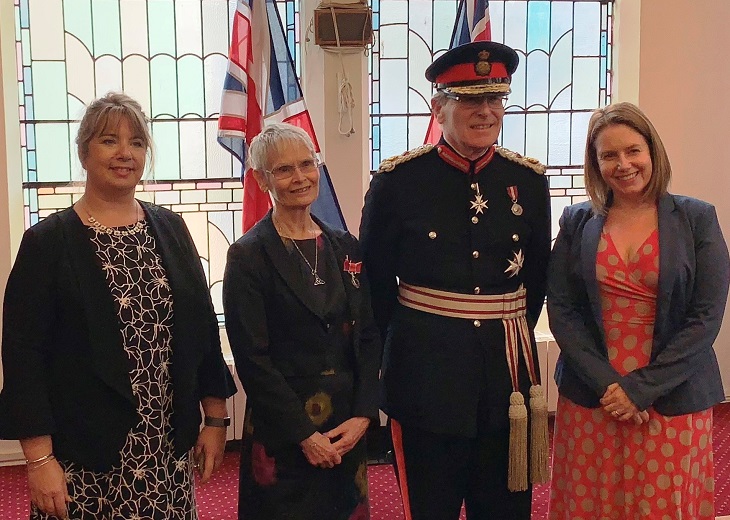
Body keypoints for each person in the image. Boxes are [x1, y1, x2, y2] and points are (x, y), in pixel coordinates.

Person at [0, 92, 236, 519]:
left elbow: (200, 329)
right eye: (109, 141)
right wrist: (37, 460)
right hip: (84, 456)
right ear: (84, 153)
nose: (125, 154)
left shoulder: (172, 228)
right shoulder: (47, 243)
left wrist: (215, 420)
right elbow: (24, 359)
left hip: (165, 447)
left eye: (138, 143)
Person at [359, 41, 552, 520]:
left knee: (505, 509)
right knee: (431, 509)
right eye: (469, 100)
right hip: (425, 378)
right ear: (439, 107)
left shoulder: (527, 181)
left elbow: (536, 281)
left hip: (506, 378)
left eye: (495, 99)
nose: (485, 111)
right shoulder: (397, 183)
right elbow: (375, 290)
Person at [547, 102, 730, 519]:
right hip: (594, 393)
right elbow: (562, 309)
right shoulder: (577, 221)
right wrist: (610, 387)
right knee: (592, 504)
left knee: (660, 507)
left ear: (652, 152)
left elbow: (706, 317)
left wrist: (639, 390)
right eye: (609, 155)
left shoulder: (697, 218)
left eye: (633, 150)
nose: (623, 164)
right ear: (596, 164)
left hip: (672, 392)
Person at [222, 122, 381, 520]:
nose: (300, 178)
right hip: (285, 435)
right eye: (283, 170)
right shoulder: (248, 257)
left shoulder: (345, 245)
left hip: (346, 427)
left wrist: (364, 415)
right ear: (261, 179)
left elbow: (368, 335)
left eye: (306, 164)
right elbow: (252, 359)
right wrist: (305, 436)